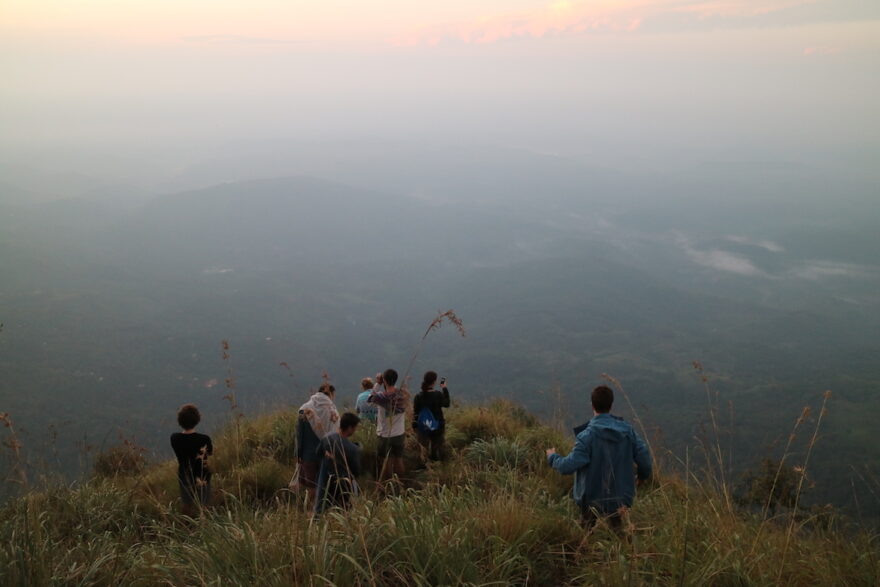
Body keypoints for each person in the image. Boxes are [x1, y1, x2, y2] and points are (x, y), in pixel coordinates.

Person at [545, 385, 652, 530]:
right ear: (611, 405)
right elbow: (645, 459)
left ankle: (583, 548)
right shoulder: (628, 432)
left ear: (592, 405)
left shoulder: (586, 437)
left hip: (591, 499)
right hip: (620, 498)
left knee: (585, 532)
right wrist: (641, 477)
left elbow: (567, 467)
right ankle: (622, 548)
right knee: (618, 532)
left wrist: (552, 457)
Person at [295, 382, 339, 504]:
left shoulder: (304, 409)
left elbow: (299, 435)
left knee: (311, 487)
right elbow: (336, 434)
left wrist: (299, 454)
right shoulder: (332, 410)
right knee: (326, 486)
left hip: (308, 455)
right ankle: (324, 512)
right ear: (331, 394)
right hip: (326, 454)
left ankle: (310, 513)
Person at [314, 412, 362, 515]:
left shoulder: (327, 438)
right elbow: (356, 472)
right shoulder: (353, 449)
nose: (354, 430)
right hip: (343, 486)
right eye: (355, 428)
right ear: (349, 428)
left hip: (324, 482)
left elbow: (318, 453)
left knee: (320, 510)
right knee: (344, 510)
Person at [170, 403, 213, 516]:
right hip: (202, 475)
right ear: (197, 420)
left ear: (180, 421)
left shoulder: (175, 438)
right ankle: (204, 526)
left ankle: (186, 526)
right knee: (204, 505)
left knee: (186, 504)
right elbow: (210, 453)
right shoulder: (204, 439)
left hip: (184, 475)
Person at [368, 368, 407, 484]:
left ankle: (389, 485)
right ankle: (402, 483)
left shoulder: (381, 397)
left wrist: (378, 384)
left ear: (384, 380)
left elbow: (369, 399)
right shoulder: (402, 394)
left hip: (385, 435)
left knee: (387, 461)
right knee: (399, 459)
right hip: (399, 433)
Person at [412, 371, 450, 461]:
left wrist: (414, 425)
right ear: (434, 381)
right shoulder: (438, 395)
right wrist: (444, 388)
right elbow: (447, 404)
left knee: (423, 448)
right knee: (437, 447)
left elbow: (416, 412)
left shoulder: (418, 396)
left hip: (423, 426)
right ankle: (437, 464)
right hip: (438, 425)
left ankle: (423, 465)